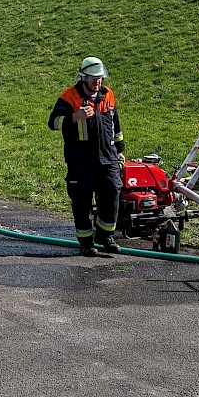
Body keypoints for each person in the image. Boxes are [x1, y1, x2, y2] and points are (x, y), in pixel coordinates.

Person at [49, 56, 126, 257]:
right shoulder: (69, 97)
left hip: (107, 157)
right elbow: (53, 122)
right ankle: (86, 242)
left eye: (100, 78)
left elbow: (115, 124)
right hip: (80, 160)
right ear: (83, 78)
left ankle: (105, 235)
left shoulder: (108, 95)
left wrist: (120, 148)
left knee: (112, 191)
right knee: (81, 200)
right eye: (93, 78)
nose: (97, 82)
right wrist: (74, 117)